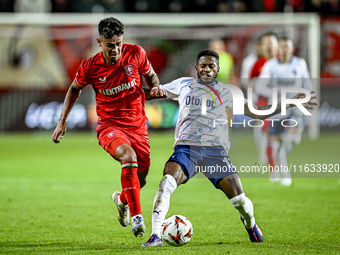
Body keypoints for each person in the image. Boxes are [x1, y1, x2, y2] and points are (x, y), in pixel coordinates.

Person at [142, 49, 317, 246]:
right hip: (187, 148)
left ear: (217, 69)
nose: (207, 69)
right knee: (166, 183)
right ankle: (155, 235)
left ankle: (250, 223)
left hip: (215, 152)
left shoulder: (228, 91)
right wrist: (129, 90)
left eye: (211, 66)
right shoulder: (183, 84)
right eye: (203, 66)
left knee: (240, 201)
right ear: (196, 68)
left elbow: (257, 113)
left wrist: (290, 102)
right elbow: (151, 94)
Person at [52, 17, 164, 237]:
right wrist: (62, 121)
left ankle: (121, 200)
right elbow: (74, 89)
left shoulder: (136, 53)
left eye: (119, 43)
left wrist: (157, 87)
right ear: (99, 42)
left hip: (138, 126)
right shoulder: (90, 66)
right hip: (109, 126)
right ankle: (137, 218)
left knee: (140, 179)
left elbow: (151, 76)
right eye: (110, 44)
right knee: (128, 157)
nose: (116, 49)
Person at [255, 37, 313, 186]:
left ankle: (284, 165)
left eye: (287, 47)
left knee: (292, 139)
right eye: (282, 47)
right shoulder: (271, 66)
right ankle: (284, 174)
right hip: (277, 110)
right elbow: (259, 87)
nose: (285, 49)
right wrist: (277, 91)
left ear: (292, 49)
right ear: (278, 50)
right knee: (276, 146)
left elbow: (308, 85)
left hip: (295, 109)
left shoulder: (300, 64)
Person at [249, 32, 278, 170]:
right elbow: (250, 82)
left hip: (280, 100)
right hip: (262, 100)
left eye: (271, 42)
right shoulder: (258, 63)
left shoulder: (282, 61)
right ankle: (266, 157)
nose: (269, 45)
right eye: (266, 42)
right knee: (264, 129)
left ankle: (274, 156)